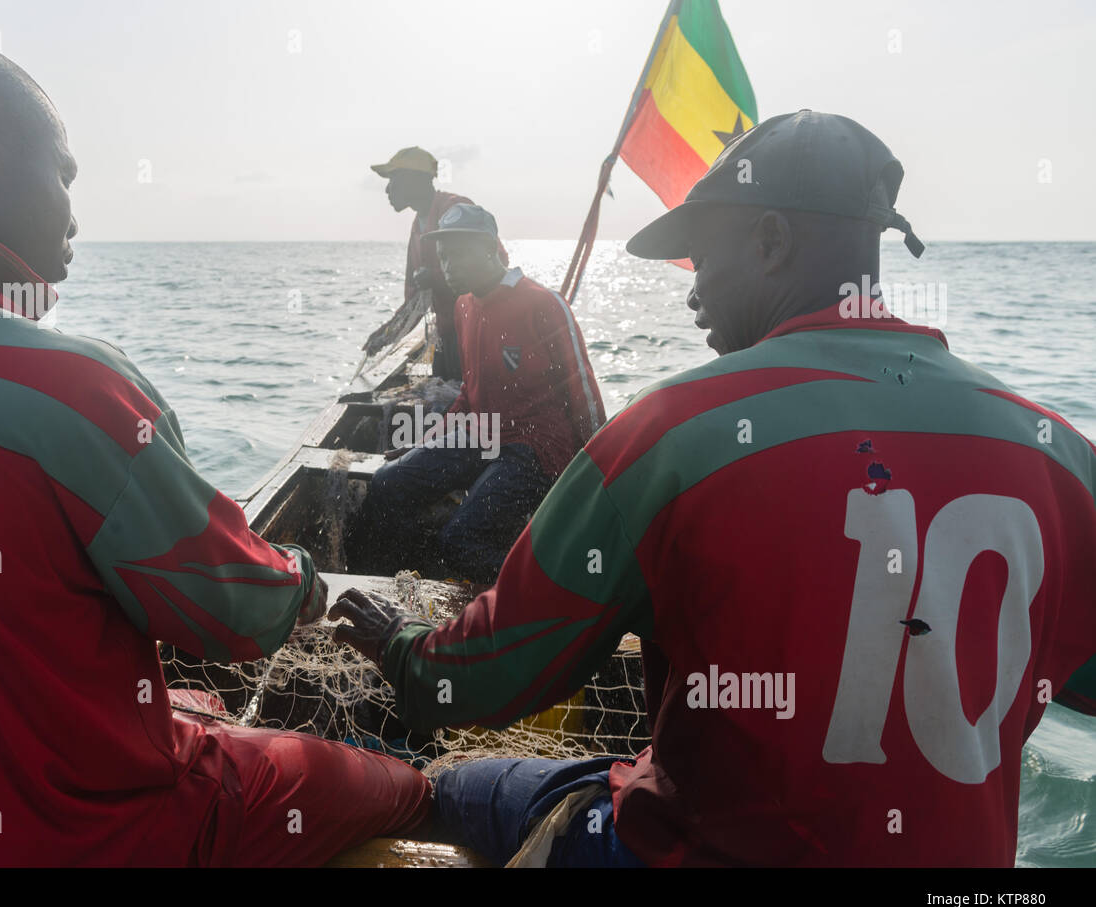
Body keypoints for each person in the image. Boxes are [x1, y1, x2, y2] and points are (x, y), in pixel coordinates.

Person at [331, 110, 1096, 867]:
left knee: (463, 790)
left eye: (701, 258)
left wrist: (401, 649)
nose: (691, 293)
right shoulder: (1059, 456)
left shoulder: (672, 434)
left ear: (771, 241)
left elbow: (482, 679)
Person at [0, 27, 430, 867]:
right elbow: (234, 609)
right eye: (62, 175)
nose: (74, 214)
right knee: (399, 785)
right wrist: (304, 586)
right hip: (117, 837)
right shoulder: (66, 384)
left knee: (186, 703)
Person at [349, 203, 604, 582]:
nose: (446, 268)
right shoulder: (464, 306)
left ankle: (548, 592)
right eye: (442, 258)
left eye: (456, 256)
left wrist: (601, 471)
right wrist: (424, 441)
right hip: (483, 432)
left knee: (462, 539)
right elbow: (470, 393)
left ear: (489, 249)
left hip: (537, 447)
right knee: (387, 484)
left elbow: (582, 391)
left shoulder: (543, 304)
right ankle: (401, 585)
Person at [371, 146, 507, 379]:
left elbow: (497, 262)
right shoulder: (417, 227)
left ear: (414, 181)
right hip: (449, 334)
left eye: (393, 180)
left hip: (480, 330)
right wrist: (388, 332)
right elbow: (414, 298)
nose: (387, 190)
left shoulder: (455, 209)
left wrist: (435, 277)